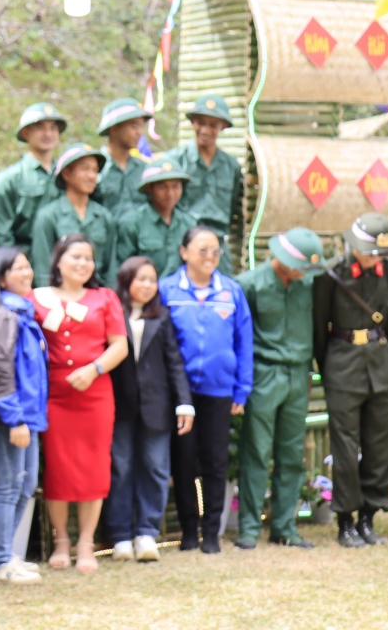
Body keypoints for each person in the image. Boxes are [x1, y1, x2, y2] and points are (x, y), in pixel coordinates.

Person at [29, 234, 128, 573]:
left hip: (96, 394)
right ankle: (61, 541)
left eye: (88, 258)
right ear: (58, 260)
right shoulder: (36, 298)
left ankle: (86, 542)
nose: (83, 263)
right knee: (57, 466)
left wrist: (94, 368)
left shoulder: (105, 298)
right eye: (76, 257)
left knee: (94, 466)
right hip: (54, 395)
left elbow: (120, 346)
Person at [312, 213, 388, 548]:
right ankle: (346, 520)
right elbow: (319, 329)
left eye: (379, 252)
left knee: (381, 445)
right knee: (346, 448)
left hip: (382, 366)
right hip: (343, 364)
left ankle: (369, 516)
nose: (372, 257)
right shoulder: (331, 275)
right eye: (367, 250)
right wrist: (329, 368)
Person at [160, 226, 253, 554]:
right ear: (184, 252)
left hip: (219, 390)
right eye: (202, 250)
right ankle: (188, 531)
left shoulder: (231, 291)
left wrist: (242, 389)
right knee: (183, 462)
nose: (210, 257)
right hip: (180, 394)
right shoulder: (167, 290)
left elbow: (244, 342)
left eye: (215, 251)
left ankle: (211, 533)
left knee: (215, 461)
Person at [235, 228, 326, 550]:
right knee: (256, 451)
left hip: (299, 374)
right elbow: (239, 336)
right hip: (264, 373)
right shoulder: (249, 284)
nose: (304, 273)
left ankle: (284, 526)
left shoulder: (309, 283)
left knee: (291, 454)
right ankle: (248, 527)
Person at [106, 256, 194, 563]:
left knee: (156, 469)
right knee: (120, 468)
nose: (147, 285)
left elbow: (175, 363)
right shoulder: (112, 312)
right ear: (126, 280)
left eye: (152, 280)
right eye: (140, 278)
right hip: (119, 406)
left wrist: (185, 403)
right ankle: (119, 536)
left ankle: (147, 533)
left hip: (158, 407)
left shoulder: (163, 317)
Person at [0, 247, 48, 585]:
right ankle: (1, 563)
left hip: (25, 416)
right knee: (7, 487)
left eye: (28, 266)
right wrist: (15, 419)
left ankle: (6, 555)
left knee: (26, 484)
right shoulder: (3, 315)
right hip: (5, 417)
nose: (27, 272)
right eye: (18, 268)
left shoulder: (22, 312)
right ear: (1, 277)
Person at [170, 95, 243, 276]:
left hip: (217, 244)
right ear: (192, 122)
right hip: (184, 242)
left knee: (226, 292)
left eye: (213, 125)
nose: (205, 130)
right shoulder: (178, 161)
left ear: (223, 126)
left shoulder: (231, 166)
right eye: (200, 122)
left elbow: (233, 205)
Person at [31, 143, 114, 286]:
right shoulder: (48, 217)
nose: (92, 176)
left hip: (97, 296)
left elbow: (111, 266)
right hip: (60, 296)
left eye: (95, 170)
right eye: (85, 169)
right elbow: (43, 269)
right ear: (67, 173)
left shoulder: (105, 217)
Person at [0, 102, 67, 256]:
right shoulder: (10, 179)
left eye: (53, 127)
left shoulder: (68, 174)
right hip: (26, 260)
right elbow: (3, 235)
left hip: (65, 261)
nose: (48, 134)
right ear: (26, 133)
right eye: (40, 127)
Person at [111, 154, 197, 283]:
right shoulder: (132, 223)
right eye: (163, 187)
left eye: (176, 186)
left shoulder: (189, 223)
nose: (170, 193)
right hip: (146, 295)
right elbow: (123, 269)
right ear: (149, 188)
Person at [91, 98, 151, 214]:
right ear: (114, 129)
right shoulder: (94, 168)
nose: (140, 132)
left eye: (141, 127)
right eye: (134, 126)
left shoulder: (145, 169)